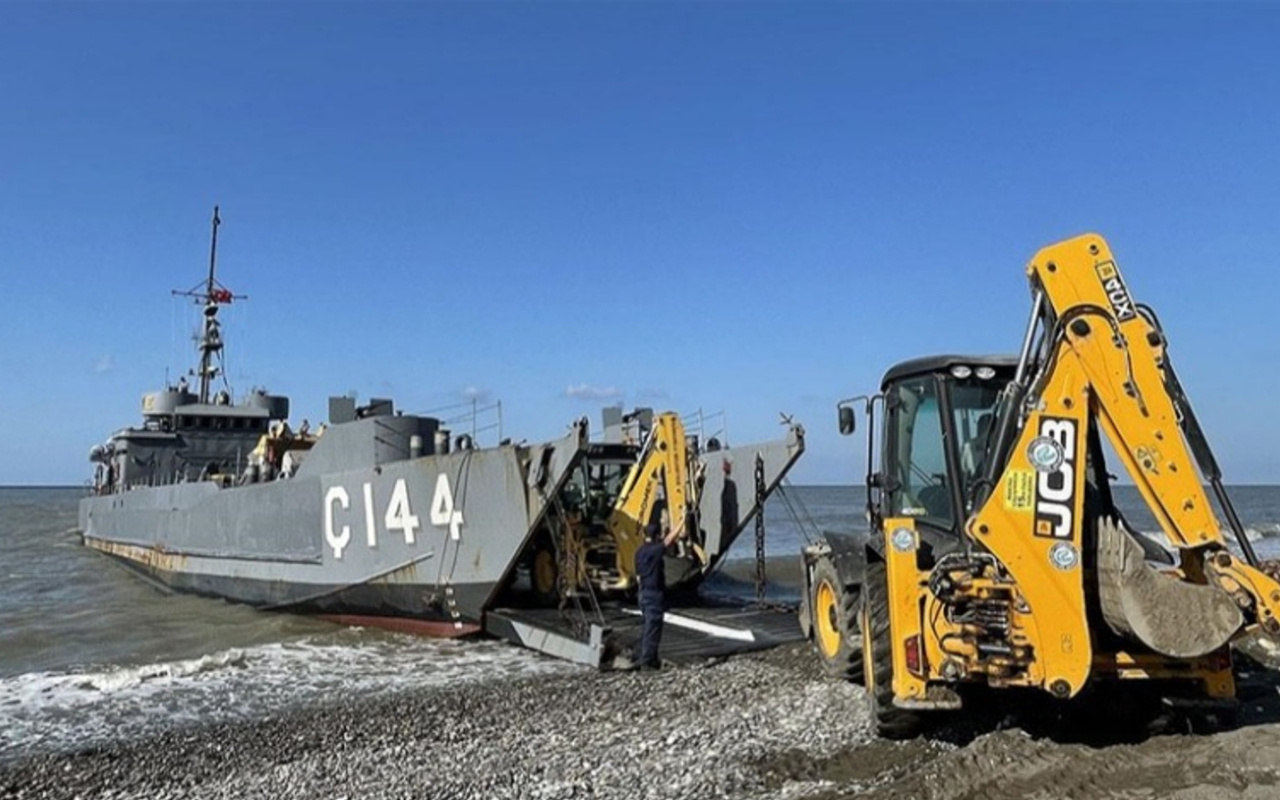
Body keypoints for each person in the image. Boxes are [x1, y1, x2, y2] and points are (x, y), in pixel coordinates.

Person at [635, 521, 679, 670]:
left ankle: (651, 658)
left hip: (643, 592)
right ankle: (647, 662)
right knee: (652, 629)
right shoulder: (654, 551)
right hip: (653, 594)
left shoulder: (639, 552)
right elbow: (668, 541)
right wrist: (682, 522)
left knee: (649, 626)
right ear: (657, 536)